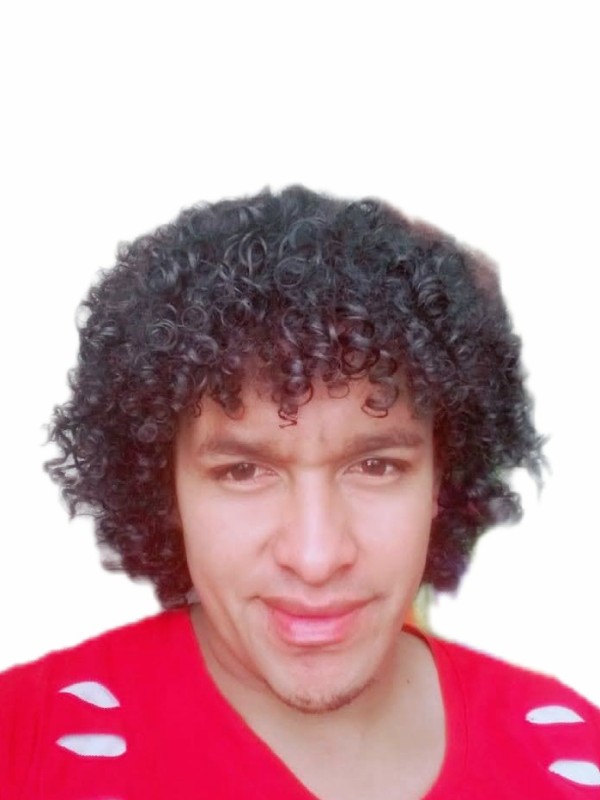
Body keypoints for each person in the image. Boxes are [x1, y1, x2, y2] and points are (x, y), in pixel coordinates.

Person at [1, 186, 598, 799]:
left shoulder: (573, 757)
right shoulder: (22, 747)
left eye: (377, 466)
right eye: (242, 471)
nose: (316, 558)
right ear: (164, 486)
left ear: (442, 479)